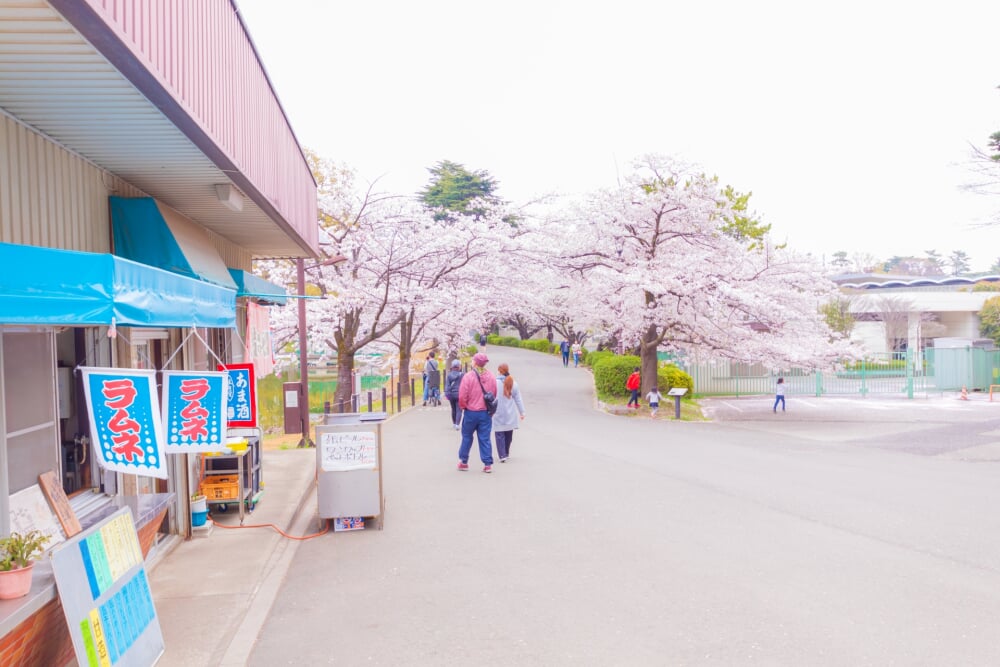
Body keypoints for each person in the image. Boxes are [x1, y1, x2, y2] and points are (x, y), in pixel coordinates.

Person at [457, 352, 496, 472]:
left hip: (471, 412)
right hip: (485, 412)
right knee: (485, 438)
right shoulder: (491, 376)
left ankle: (464, 461)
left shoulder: (468, 376)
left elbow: (462, 395)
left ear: (475, 362)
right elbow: (493, 394)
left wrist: (463, 407)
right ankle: (487, 464)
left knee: (467, 436)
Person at [493, 363, 526, 462]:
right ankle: (506, 452)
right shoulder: (513, 383)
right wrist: (522, 412)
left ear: (499, 371)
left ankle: (502, 455)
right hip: (510, 413)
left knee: (499, 434)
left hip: (498, 412)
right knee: (508, 434)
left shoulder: (494, 383)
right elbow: (518, 399)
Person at [444, 359, 464, 430]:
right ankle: (457, 424)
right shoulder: (462, 375)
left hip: (451, 394)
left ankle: (454, 423)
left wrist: (447, 394)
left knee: (453, 409)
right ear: (459, 367)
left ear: (452, 366)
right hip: (459, 394)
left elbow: (447, 386)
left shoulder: (449, 375)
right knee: (459, 409)